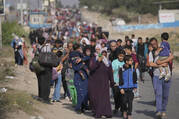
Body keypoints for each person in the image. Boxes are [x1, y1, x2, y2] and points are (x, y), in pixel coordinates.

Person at [148, 37, 174, 118]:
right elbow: (150, 64)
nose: (154, 45)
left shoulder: (165, 49)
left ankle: (163, 111)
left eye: (155, 43)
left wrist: (162, 62)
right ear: (151, 45)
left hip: (167, 75)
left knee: (165, 95)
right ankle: (159, 110)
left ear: (157, 42)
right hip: (157, 76)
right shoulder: (151, 53)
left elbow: (171, 57)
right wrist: (160, 64)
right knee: (158, 94)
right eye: (152, 44)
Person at [88, 45, 115, 118]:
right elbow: (91, 68)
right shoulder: (93, 59)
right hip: (94, 83)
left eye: (104, 53)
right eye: (97, 49)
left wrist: (112, 82)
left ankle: (106, 112)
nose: (98, 51)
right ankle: (97, 112)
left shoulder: (108, 62)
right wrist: (97, 61)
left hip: (104, 83)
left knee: (104, 98)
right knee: (95, 98)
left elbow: (110, 73)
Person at [69, 44, 89, 113]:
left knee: (85, 92)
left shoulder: (81, 55)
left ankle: (83, 106)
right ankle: (78, 107)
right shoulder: (74, 54)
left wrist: (82, 59)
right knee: (80, 93)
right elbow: (75, 66)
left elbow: (88, 57)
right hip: (79, 76)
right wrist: (82, 63)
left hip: (85, 76)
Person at [119, 55, 137, 119]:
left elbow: (135, 78)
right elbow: (120, 79)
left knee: (130, 102)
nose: (132, 61)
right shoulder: (122, 68)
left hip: (131, 88)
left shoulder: (133, 68)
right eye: (130, 60)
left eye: (132, 60)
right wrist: (121, 88)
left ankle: (129, 114)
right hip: (124, 88)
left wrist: (135, 86)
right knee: (124, 101)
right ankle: (124, 111)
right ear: (126, 61)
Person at [35, 37, 53, 103]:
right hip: (47, 66)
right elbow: (49, 55)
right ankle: (46, 98)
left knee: (40, 81)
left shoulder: (38, 47)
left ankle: (40, 96)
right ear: (44, 41)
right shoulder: (47, 47)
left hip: (39, 66)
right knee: (47, 82)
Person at [112, 50, 125, 114]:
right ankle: (116, 108)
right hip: (115, 82)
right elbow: (111, 71)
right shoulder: (114, 62)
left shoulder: (125, 62)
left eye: (122, 56)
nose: (121, 57)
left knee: (122, 97)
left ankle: (123, 110)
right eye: (120, 56)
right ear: (118, 56)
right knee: (116, 97)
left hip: (123, 83)